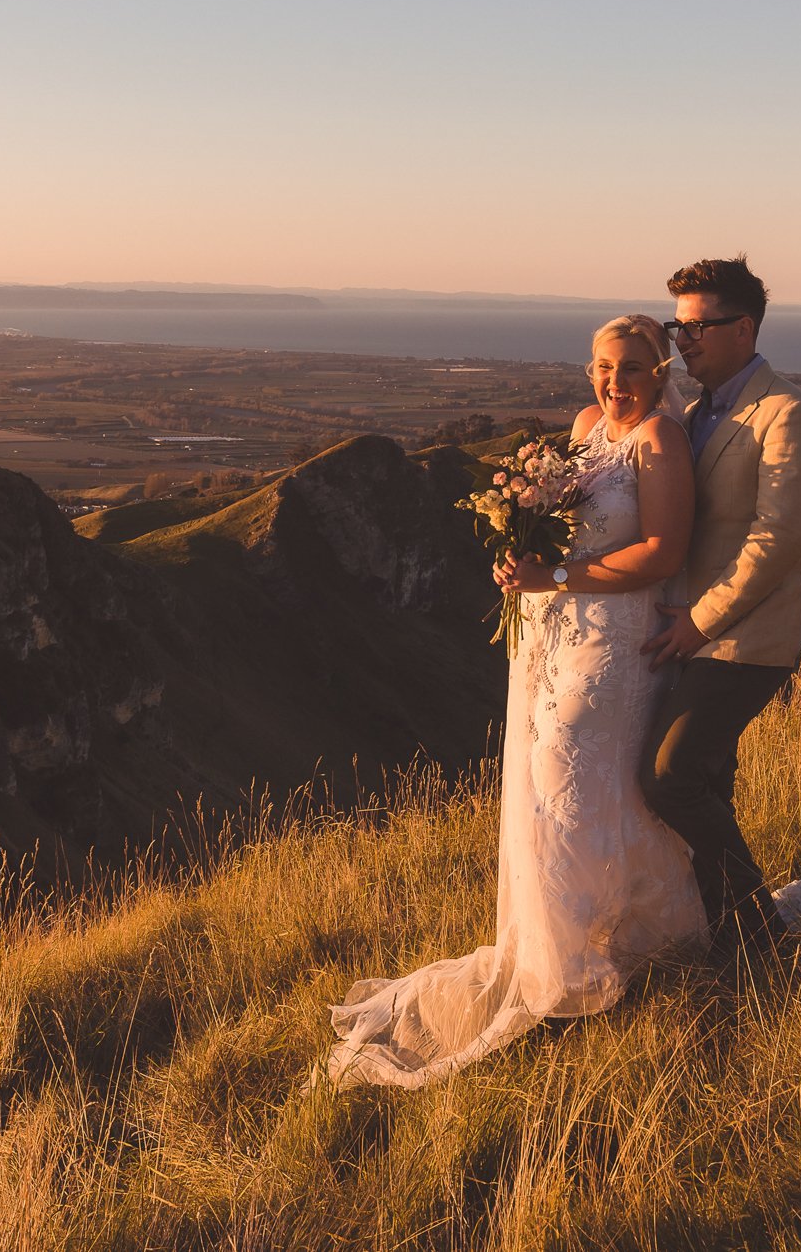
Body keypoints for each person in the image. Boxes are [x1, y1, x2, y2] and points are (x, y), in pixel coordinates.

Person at [326, 316, 710, 1087]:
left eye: (632, 367)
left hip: (613, 640)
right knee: (542, 785)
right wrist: (526, 553)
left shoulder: (659, 443)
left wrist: (559, 577)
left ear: (661, 373)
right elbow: (570, 528)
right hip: (552, 631)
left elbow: (662, 551)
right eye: (603, 365)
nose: (615, 381)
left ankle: (598, 956)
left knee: (575, 778)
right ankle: (561, 948)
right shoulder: (584, 425)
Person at [640, 256, 801, 947]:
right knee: (707, 783)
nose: (683, 339)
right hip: (690, 634)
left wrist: (698, 624)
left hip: (753, 635)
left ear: (744, 328)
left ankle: (760, 928)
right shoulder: (693, 414)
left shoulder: (789, 413)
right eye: (678, 325)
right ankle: (724, 930)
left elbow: (777, 539)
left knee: (669, 777)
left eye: (698, 325)